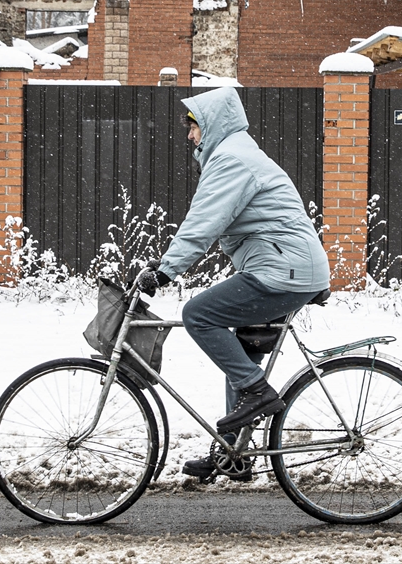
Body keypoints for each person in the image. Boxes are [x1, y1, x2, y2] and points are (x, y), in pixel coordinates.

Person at [135, 86, 331, 481]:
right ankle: (234, 453)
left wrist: (167, 271)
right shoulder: (237, 155)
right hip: (286, 266)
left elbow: (204, 222)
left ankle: (258, 395)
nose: (190, 135)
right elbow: (214, 224)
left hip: (283, 270)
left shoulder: (232, 160)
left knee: (199, 314)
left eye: (193, 127)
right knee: (239, 357)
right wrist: (166, 262)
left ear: (211, 124)